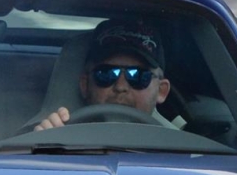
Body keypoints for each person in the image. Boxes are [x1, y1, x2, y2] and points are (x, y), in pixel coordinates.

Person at [35, 27, 179, 131]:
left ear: (161, 90)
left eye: (138, 75)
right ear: (85, 85)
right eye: (106, 73)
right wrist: (44, 148)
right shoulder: (59, 135)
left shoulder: (181, 151)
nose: (120, 86)